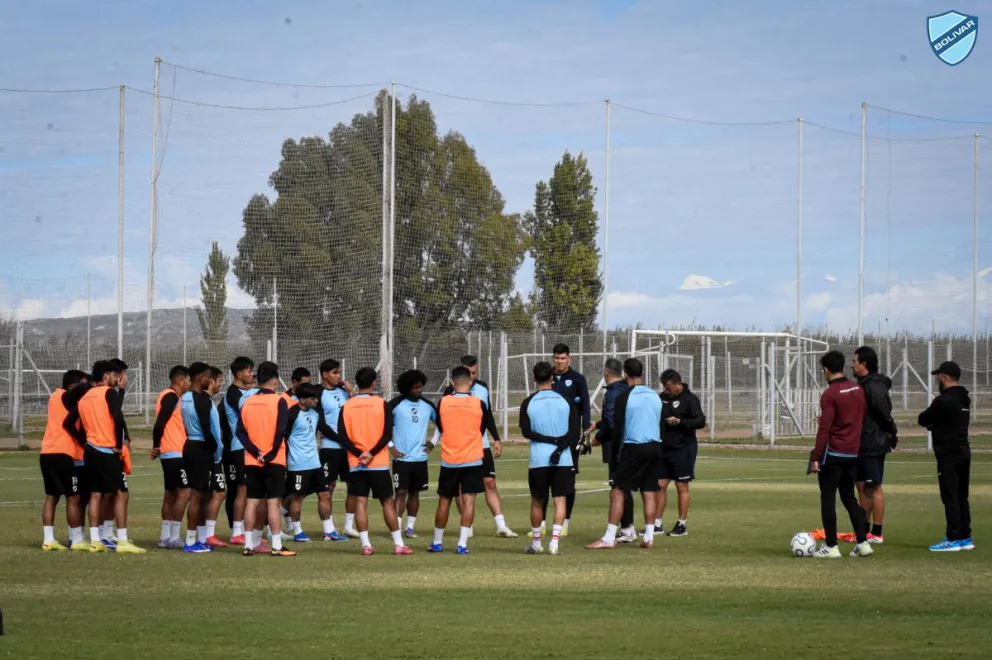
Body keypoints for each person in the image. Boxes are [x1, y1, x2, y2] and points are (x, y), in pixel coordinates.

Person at [66, 359, 145, 553]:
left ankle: (95, 539)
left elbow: (71, 422)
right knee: (120, 493)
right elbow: (117, 418)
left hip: (90, 451)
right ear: (106, 376)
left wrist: (84, 440)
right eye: (114, 375)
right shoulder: (108, 393)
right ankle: (123, 541)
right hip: (107, 450)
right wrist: (118, 445)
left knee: (95, 494)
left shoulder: (85, 397)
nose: (117, 378)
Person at [587, 358, 662, 550]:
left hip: (633, 446)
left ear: (626, 374)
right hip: (654, 445)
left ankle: (609, 537)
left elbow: (617, 428)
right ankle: (649, 537)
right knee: (649, 491)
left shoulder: (624, 396)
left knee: (618, 490)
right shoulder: (655, 395)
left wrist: (614, 454)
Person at [338, 367, 411, 556]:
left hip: (356, 463)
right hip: (377, 463)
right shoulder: (382, 404)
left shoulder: (347, 406)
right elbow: (387, 435)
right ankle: (398, 544)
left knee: (360, 502)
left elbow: (343, 436)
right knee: (387, 502)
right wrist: (370, 453)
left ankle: (366, 545)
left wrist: (359, 453)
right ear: (373, 383)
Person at [443, 356, 517, 538]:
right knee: (461, 488)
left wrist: (496, 439)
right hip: (460, 448)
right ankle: (467, 527)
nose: (472, 377)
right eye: (469, 373)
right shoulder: (448, 392)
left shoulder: (482, 388)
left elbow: (488, 414)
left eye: (475, 373)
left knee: (490, 483)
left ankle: (501, 525)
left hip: (481, 446)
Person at [809, 350, 871, 559]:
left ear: (826, 370)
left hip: (833, 452)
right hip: (852, 453)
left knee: (828, 497)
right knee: (848, 496)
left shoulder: (829, 394)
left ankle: (831, 546)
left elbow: (825, 428)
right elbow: (860, 418)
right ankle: (863, 543)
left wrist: (816, 456)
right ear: (843, 368)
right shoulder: (857, 388)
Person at [428, 365, 494, 554]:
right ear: (470, 382)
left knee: (444, 501)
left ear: (452, 383)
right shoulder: (479, 403)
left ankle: (437, 542)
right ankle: (462, 544)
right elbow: (481, 429)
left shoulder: (444, 402)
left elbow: (441, 426)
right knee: (469, 501)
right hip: (473, 458)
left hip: (450, 459)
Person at [236, 362, 295, 557]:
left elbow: (240, 432)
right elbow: (281, 431)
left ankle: (248, 545)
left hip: (252, 461)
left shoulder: (248, 401)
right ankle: (277, 545)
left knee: (252, 502)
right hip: (274, 459)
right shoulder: (279, 401)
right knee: (273, 503)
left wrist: (255, 452)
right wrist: (269, 454)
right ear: (275, 382)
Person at [520, 361, 579, 555]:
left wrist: (548, 440)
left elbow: (527, 432)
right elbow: (573, 431)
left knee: (537, 501)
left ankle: (537, 543)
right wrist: (559, 445)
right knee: (560, 500)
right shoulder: (565, 401)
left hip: (539, 459)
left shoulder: (528, 402)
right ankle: (554, 543)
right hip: (563, 459)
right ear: (552, 377)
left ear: (534, 378)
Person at [918, 361, 974, 552]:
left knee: (950, 496)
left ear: (945, 377)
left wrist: (934, 426)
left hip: (948, 454)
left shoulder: (943, 400)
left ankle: (952, 538)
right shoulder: (965, 398)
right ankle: (965, 536)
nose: (937, 379)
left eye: (939, 376)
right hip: (964, 450)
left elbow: (923, 418)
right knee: (961, 496)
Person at [39, 369, 90, 551]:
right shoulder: (65, 397)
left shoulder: (54, 397)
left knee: (51, 497)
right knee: (73, 497)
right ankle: (76, 539)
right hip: (63, 453)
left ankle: (48, 539)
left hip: (46, 452)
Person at [852, 346, 897, 544]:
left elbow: (884, 413)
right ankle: (863, 530)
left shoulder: (873, 386)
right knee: (862, 487)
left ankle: (877, 533)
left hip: (873, 443)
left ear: (864, 365)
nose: (852, 364)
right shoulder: (864, 384)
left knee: (874, 487)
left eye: (855, 361)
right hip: (863, 443)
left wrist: (892, 432)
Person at [547, 344, 593, 536]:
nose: (559, 361)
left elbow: (585, 406)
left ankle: (565, 522)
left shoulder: (577, 379)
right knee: (545, 477)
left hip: (571, 437)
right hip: (549, 436)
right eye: (557, 358)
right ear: (553, 358)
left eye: (563, 358)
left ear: (569, 359)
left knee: (568, 479)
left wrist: (586, 430)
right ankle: (540, 523)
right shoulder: (546, 377)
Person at [388, 369, 438, 538]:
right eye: (416, 387)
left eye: (421, 387)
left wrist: (432, 444)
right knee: (400, 492)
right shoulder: (395, 405)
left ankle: (410, 527)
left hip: (420, 458)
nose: (419, 390)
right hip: (401, 458)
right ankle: (396, 527)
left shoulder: (428, 405)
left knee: (415, 493)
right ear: (407, 388)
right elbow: (382, 427)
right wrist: (391, 447)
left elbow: (442, 426)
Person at [591, 358, 637, 543]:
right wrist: (596, 424)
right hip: (627, 444)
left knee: (618, 488)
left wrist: (598, 438)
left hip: (617, 447)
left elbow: (612, 423)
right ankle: (629, 528)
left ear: (606, 372)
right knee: (624, 487)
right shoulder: (625, 389)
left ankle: (626, 530)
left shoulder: (613, 392)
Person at [179, 362, 222, 553]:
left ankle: (201, 538)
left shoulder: (185, 397)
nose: (209, 380)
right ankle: (190, 541)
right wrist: (215, 448)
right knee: (197, 496)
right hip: (201, 448)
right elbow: (207, 429)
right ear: (199, 378)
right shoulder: (202, 399)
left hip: (189, 445)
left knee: (203, 494)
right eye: (207, 376)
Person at [657, 369, 705, 538]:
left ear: (679, 384)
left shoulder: (690, 400)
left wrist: (680, 422)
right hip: (664, 448)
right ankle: (657, 524)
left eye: (669, 387)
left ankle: (681, 524)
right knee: (660, 485)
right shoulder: (661, 398)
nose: (667, 391)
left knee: (681, 485)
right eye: (664, 387)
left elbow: (701, 421)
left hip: (684, 448)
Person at [283, 382, 331, 543]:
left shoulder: (316, 412)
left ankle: (329, 531)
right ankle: (297, 532)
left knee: (324, 494)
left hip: (315, 463)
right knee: (297, 497)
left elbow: (323, 428)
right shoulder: (291, 414)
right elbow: (283, 438)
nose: (316, 401)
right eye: (312, 399)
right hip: (298, 463)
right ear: (302, 399)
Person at [151, 365, 192, 549]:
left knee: (171, 494)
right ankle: (174, 536)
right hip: (173, 451)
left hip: (171, 451)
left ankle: (165, 537)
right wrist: (156, 445)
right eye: (189, 381)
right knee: (185, 492)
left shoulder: (172, 396)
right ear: (181, 381)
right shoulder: (170, 396)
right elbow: (160, 423)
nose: (190, 384)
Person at [315, 358, 354, 541]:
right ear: (325, 374)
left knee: (353, 487)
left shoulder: (344, 392)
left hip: (348, 449)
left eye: (339, 372)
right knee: (327, 488)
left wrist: (351, 391)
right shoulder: (318, 392)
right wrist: (342, 439)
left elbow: (356, 412)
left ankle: (348, 527)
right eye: (335, 373)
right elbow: (321, 423)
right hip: (329, 448)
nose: (338, 376)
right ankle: (328, 530)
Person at [220, 356, 254, 545]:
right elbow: (248, 413)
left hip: (250, 447)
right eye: (249, 370)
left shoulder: (249, 392)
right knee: (241, 489)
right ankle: (236, 531)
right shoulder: (233, 394)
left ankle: (248, 530)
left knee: (250, 490)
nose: (252, 374)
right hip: (239, 447)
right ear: (239, 373)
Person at [203, 366, 229, 548]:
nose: (220, 384)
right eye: (219, 381)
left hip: (215, 454)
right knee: (217, 493)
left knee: (215, 493)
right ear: (211, 381)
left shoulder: (210, 401)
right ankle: (207, 534)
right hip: (210, 455)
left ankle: (205, 533)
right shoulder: (203, 401)